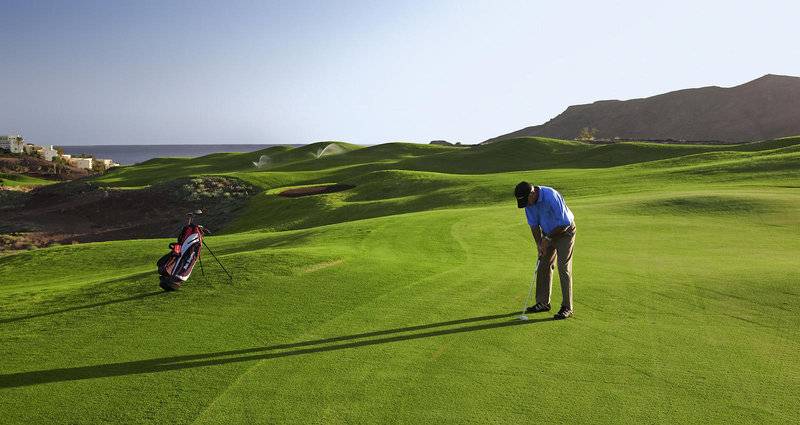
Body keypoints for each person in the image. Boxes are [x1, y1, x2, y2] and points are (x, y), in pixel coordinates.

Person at [514, 181, 576, 320]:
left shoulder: (550, 195)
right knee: (543, 264)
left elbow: (564, 223)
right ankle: (542, 303)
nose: (527, 205)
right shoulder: (528, 204)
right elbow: (534, 226)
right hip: (547, 233)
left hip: (565, 232)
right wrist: (539, 244)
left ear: (532, 193)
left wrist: (547, 239)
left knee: (563, 267)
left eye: (526, 201)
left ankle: (567, 307)